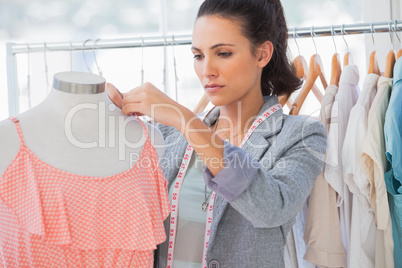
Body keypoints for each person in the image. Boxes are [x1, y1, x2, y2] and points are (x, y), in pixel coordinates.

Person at [107, 0, 327, 267]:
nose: (206, 70)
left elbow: (272, 208)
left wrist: (184, 118)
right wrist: (103, 109)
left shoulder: (301, 135)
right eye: (198, 56)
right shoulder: (170, 134)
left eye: (223, 53)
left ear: (262, 54)